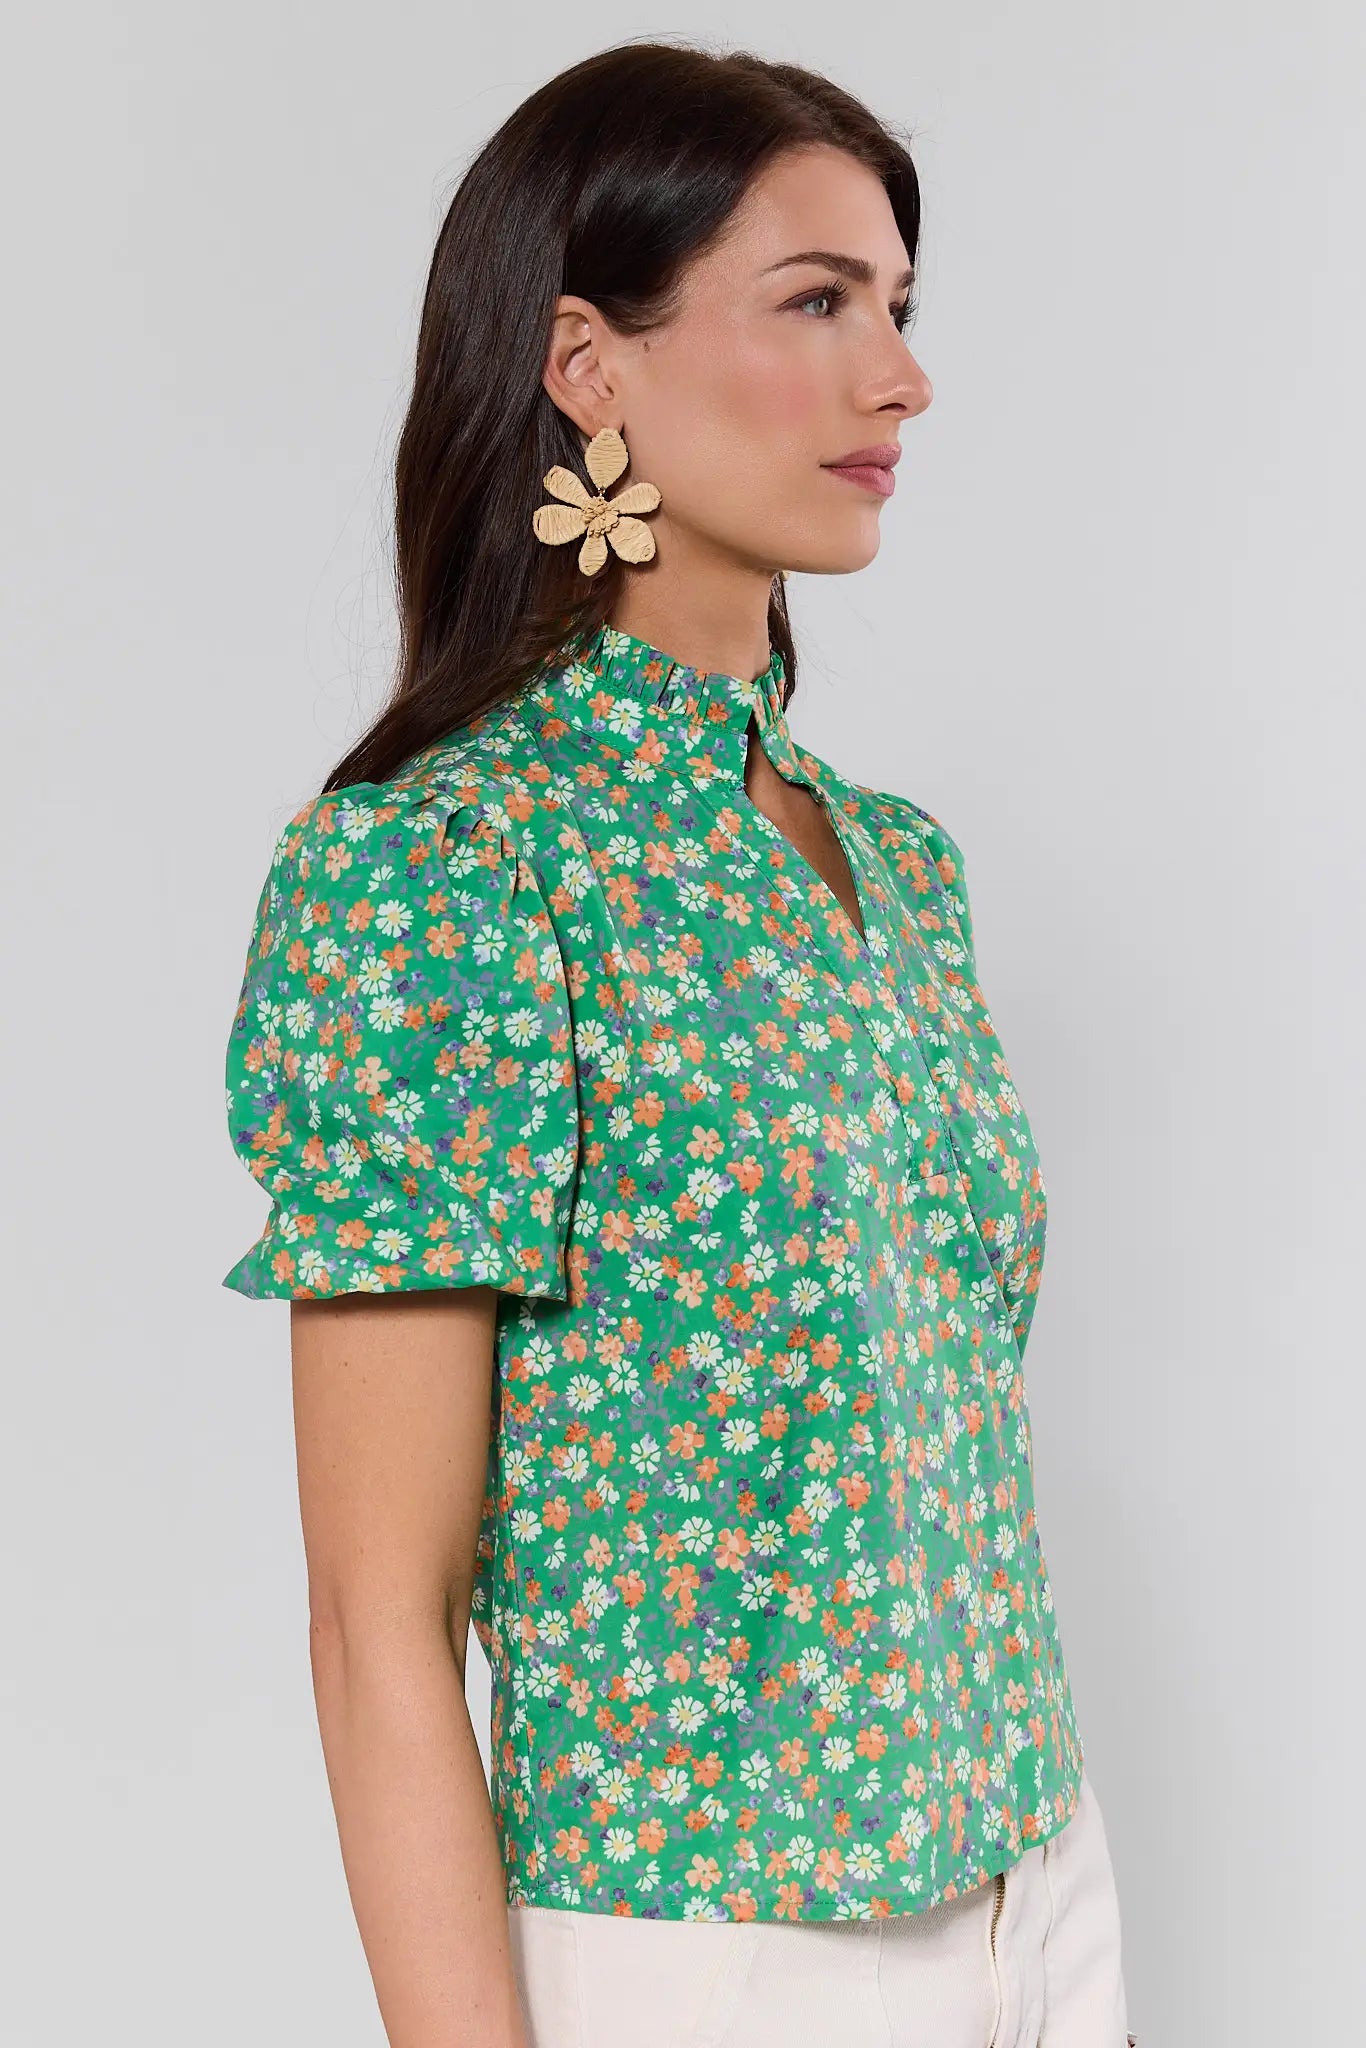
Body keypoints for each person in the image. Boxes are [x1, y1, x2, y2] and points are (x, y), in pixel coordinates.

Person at [221, 38, 1136, 2048]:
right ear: (585, 364)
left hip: (1035, 1897)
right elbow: (381, 1627)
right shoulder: (440, 864)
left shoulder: (895, 867)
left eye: (897, 308)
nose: (895, 378)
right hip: (712, 1958)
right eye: (813, 302)